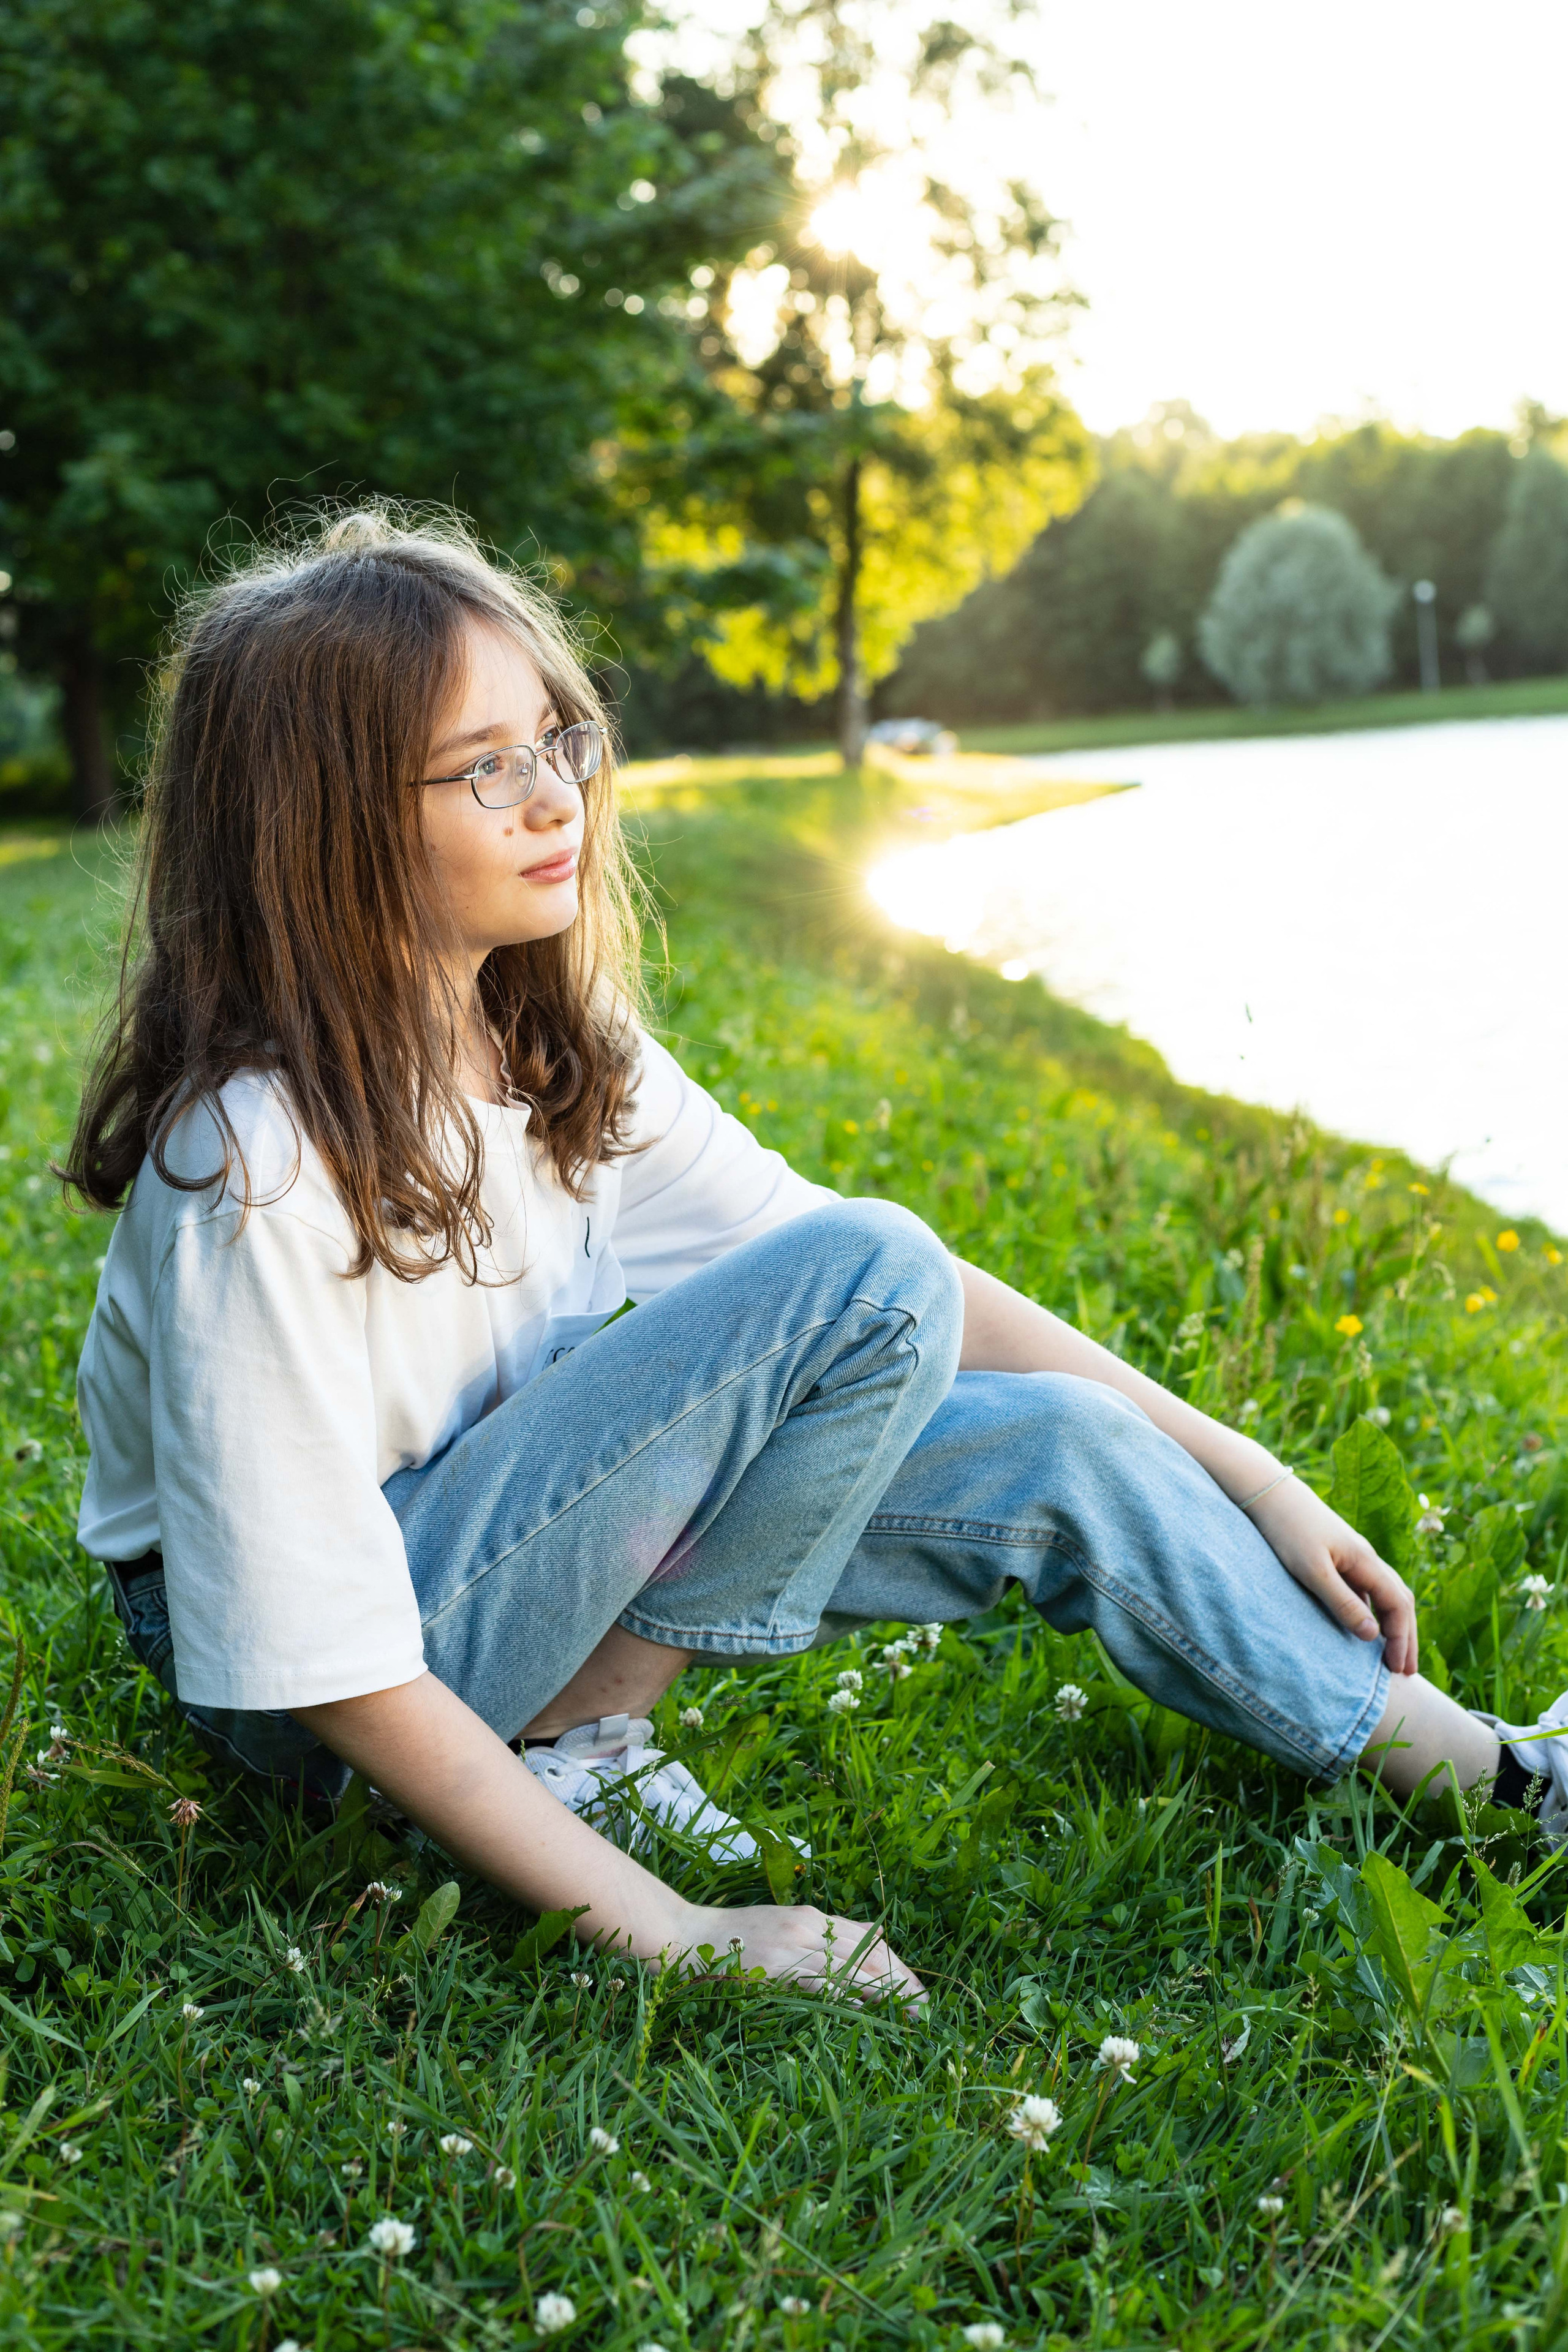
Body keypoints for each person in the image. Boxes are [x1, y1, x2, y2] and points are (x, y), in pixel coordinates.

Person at [64, 510, 1564, 2007]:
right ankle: (582, 1748)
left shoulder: (541, 1046)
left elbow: (886, 1298)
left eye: (557, 740)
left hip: (501, 1539)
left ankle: (1503, 1784)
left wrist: (1254, 1469)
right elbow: (324, 1659)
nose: (553, 799)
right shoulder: (250, 1162)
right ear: (323, 826)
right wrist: (684, 1935)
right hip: (307, 1687)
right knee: (869, 1268)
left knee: (1053, 1440)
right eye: (483, 768)